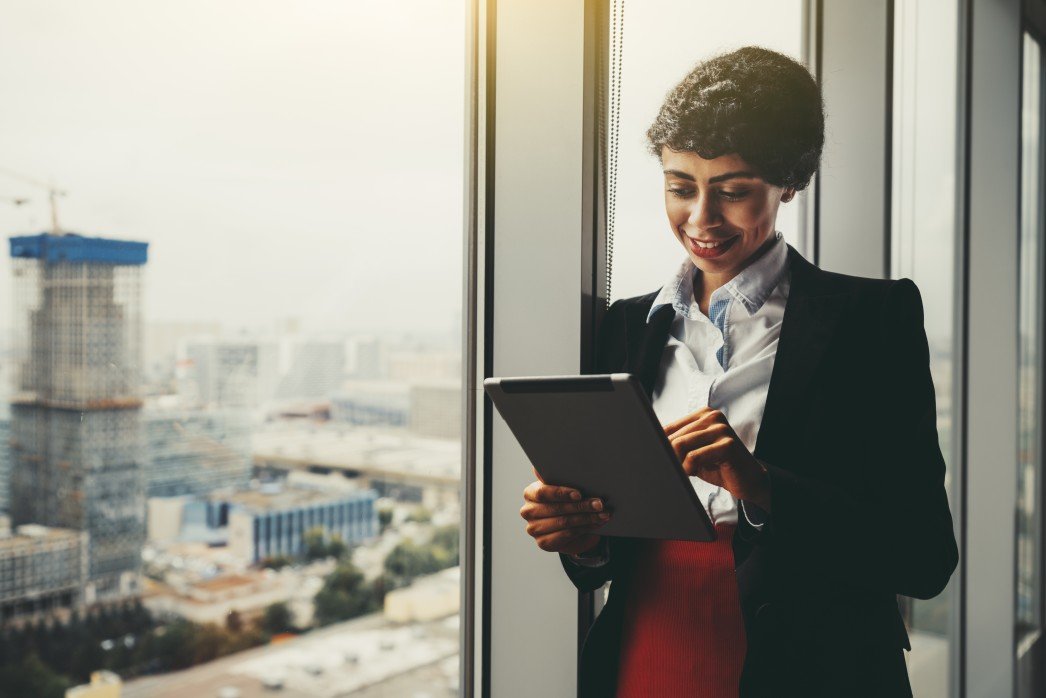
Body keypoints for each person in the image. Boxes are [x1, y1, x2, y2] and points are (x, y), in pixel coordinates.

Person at [518, 46, 958, 697]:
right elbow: (602, 566)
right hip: (647, 660)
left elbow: (923, 557)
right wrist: (582, 537)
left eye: (732, 191)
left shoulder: (872, 321)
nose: (700, 219)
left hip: (818, 673)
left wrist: (762, 486)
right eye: (679, 187)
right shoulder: (625, 327)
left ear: (790, 182)